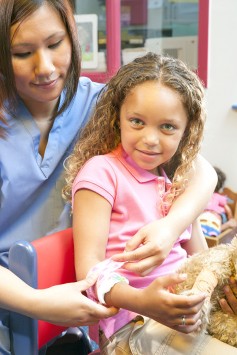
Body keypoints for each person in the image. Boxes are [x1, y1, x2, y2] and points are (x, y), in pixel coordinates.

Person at [0, 0, 217, 353]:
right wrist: (36, 301)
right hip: (15, 297)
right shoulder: (100, 166)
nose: (45, 67)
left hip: (90, 302)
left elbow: (201, 170)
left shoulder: (99, 103)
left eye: (55, 44)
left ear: (73, 36)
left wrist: (171, 227)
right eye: (21, 52)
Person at [63, 52, 236, 354]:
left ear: (186, 133)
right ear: (118, 118)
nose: (151, 139)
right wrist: (144, 302)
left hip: (187, 319)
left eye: (167, 127)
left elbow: (201, 259)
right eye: (137, 122)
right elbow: (89, 273)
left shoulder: (176, 182)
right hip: (131, 326)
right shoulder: (102, 173)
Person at [199, 166, 237, 237]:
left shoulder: (202, 195)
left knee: (201, 223)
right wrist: (230, 218)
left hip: (203, 215)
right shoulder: (220, 197)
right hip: (215, 216)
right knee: (216, 225)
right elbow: (227, 209)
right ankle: (223, 227)